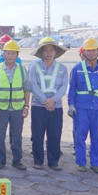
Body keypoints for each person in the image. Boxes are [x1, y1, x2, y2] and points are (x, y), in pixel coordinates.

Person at [67, 38, 98, 173]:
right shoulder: (77, 69)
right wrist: (71, 105)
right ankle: (81, 163)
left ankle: (96, 163)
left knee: (97, 137)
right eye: (88, 51)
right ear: (84, 52)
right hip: (81, 108)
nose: (91, 53)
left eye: (94, 50)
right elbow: (72, 88)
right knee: (80, 136)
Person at [0, 40, 30, 170]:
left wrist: (26, 106)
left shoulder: (22, 69)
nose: (10, 56)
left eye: (13, 53)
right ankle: (0, 160)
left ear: (17, 55)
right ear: (4, 54)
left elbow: (26, 89)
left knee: (17, 136)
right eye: (8, 53)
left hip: (18, 108)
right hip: (1, 108)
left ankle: (17, 160)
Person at [28, 37, 68, 171]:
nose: (49, 53)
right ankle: (38, 161)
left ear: (55, 51)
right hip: (38, 106)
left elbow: (64, 87)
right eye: (46, 50)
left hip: (56, 107)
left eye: (51, 50)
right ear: (41, 52)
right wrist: (45, 101)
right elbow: (33, 85)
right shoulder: (34, 67)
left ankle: (53, 161)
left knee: (55, 134)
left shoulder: (62, 68)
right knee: (37, 134)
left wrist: (53, 100)